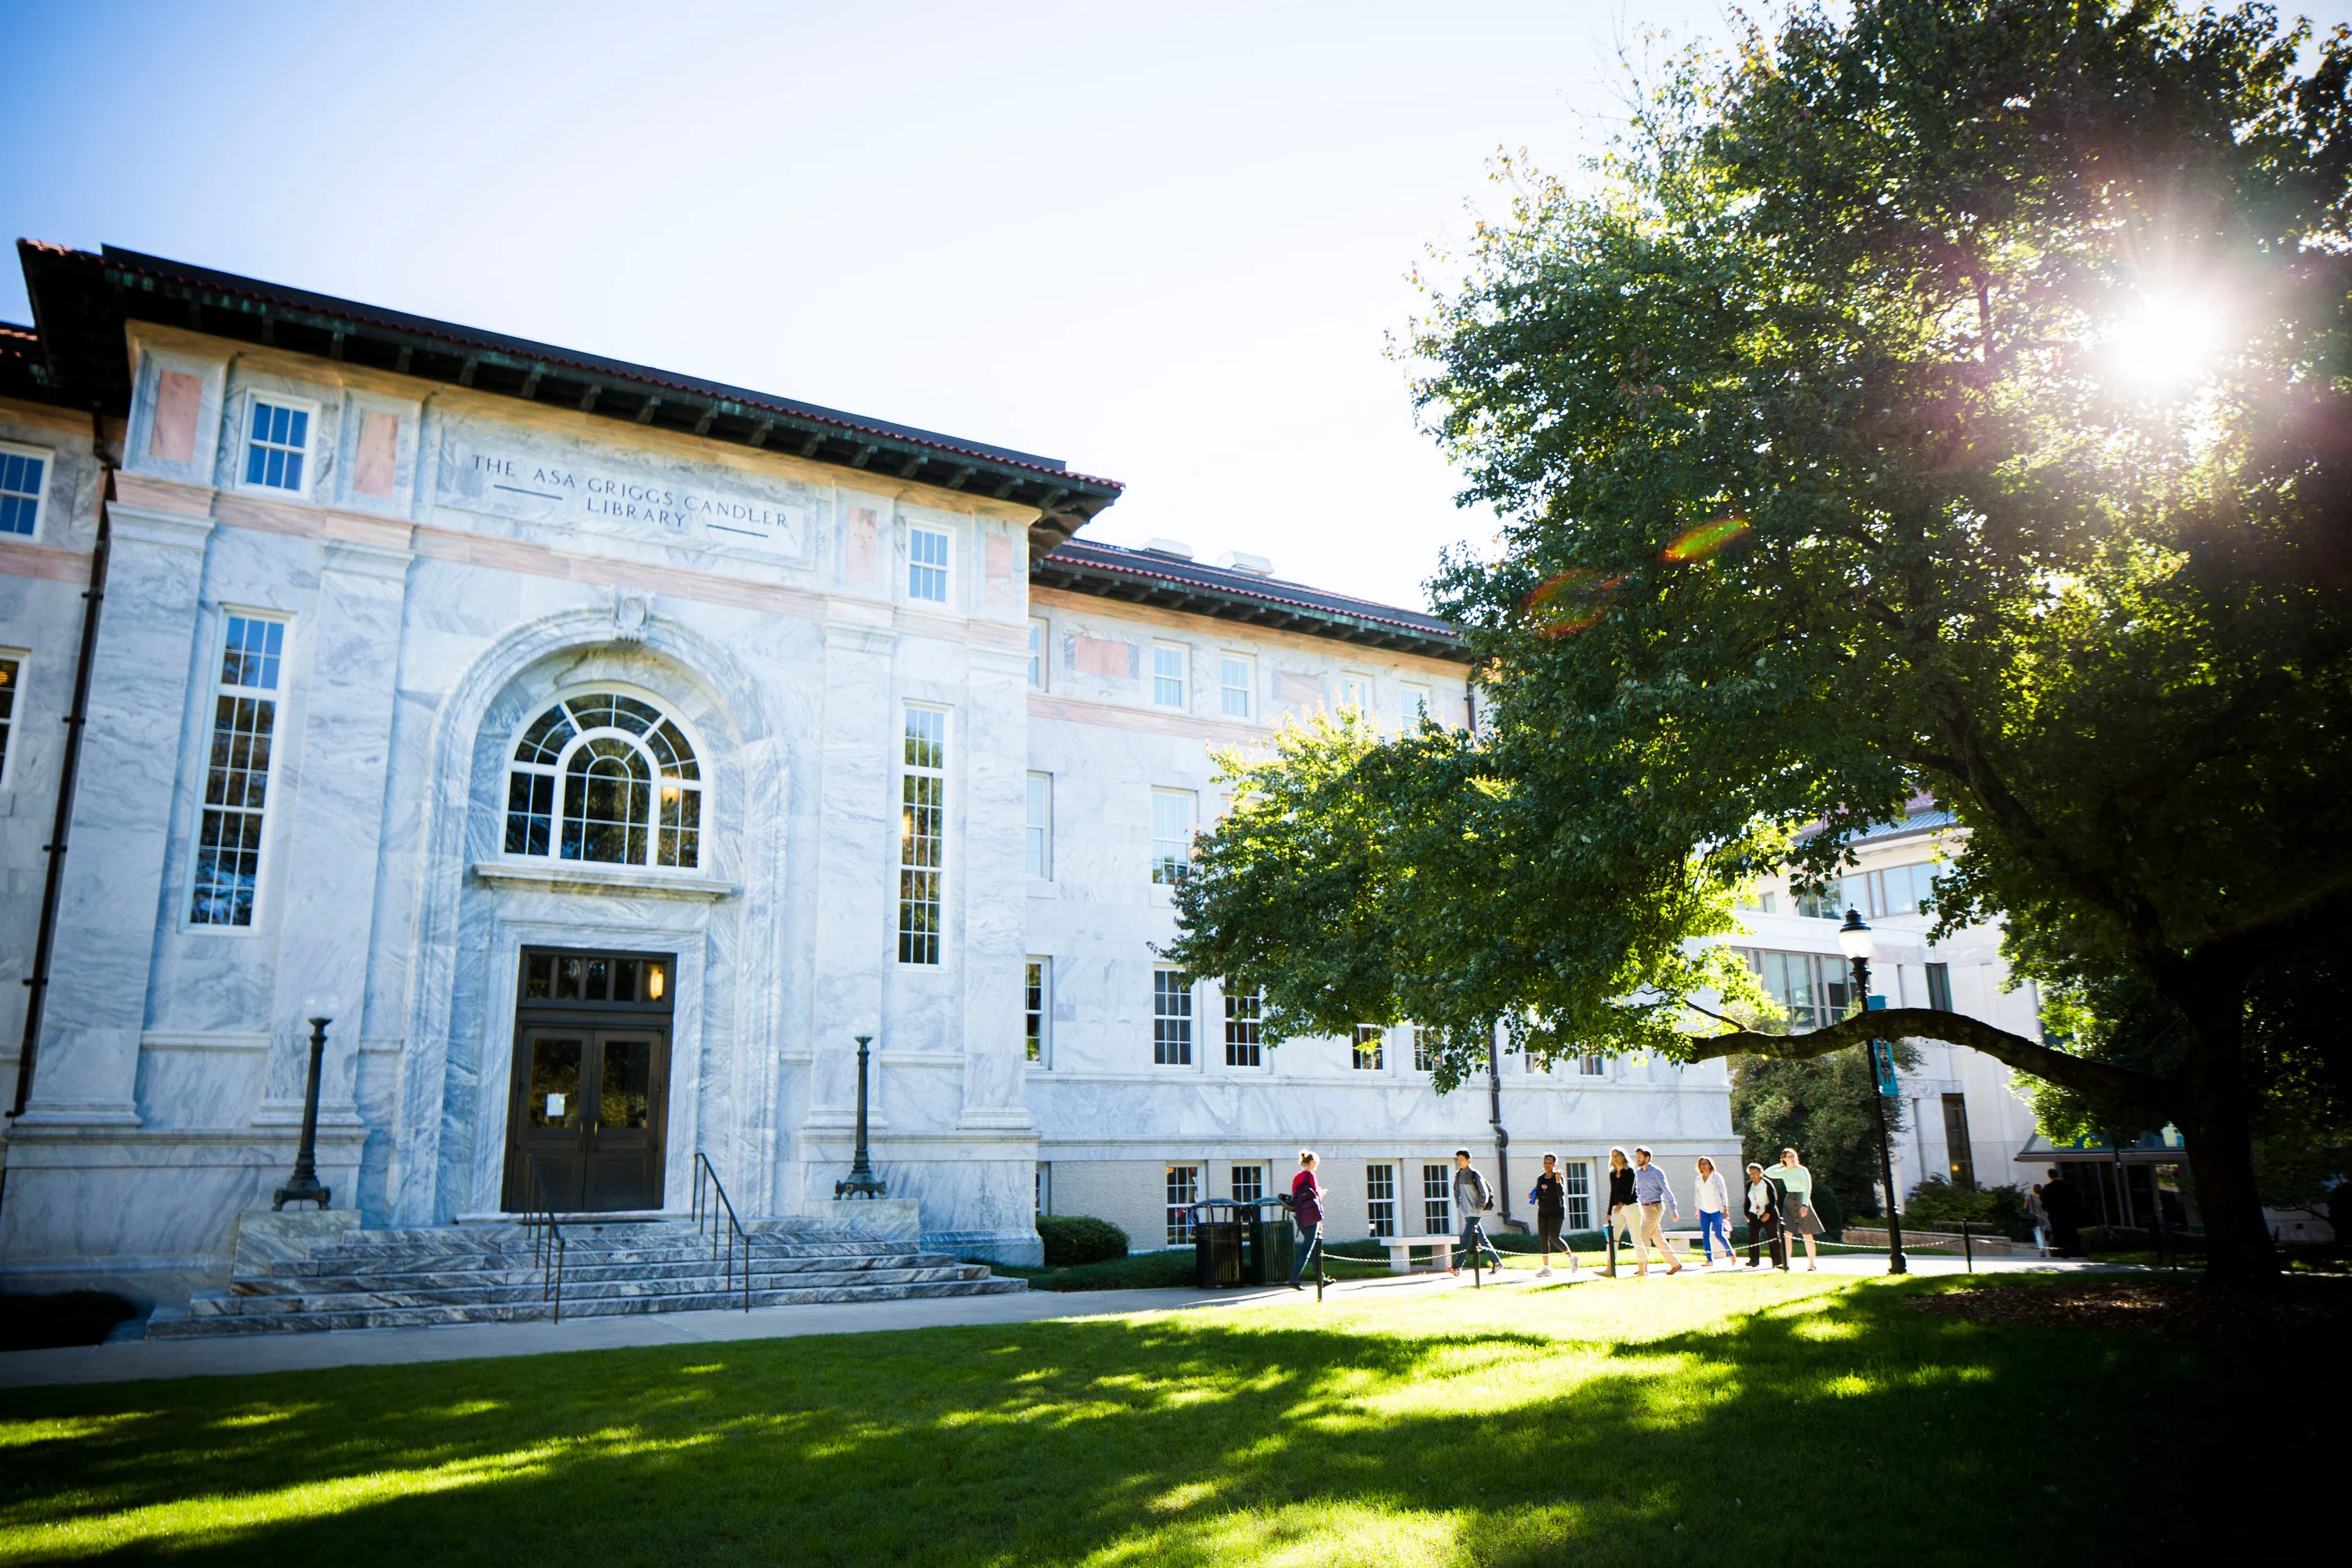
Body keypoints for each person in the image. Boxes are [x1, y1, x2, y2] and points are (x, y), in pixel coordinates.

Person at [1447, 1149, 1503, 1276]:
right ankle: (1497, 1262)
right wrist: (1459, 1205)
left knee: (1466, 1239)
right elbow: (1456, 1191)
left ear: (1469, 1160)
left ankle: (1457, 1267)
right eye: (1458, 1160)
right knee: (1482, 1239)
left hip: (1475, 1213)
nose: (1459, 1162)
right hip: (1467, 1212)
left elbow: (1484, 1194)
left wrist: (1478, 1207)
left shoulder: (1475, 1174)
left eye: (1461, 1160)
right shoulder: (1458, 1175)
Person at [1629, 1146, 1683, 1276]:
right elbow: (1637, 1191)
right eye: (1636, 1157)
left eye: (1640, 1157)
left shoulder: (1656, 1172)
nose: (1637, 1159)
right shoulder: (1638, 1173)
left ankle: (1643, 1268)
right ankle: (1675, 1263)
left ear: (1647, 1158)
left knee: (1644, 1236)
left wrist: (1673, 1209)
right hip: (1644, 1208)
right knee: (1658, 1238)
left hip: (1655, 1207)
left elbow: (1666, 1189)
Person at [1286, 1149, 1334, 1290]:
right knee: (1307, 1249)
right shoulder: (1311, 1176)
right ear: (1312, 1162)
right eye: (1316, 1163)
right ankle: (1293, 1280)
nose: (1316, 1166)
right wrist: (1322, 1193)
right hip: (1312, 1217)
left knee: (1313, 1249)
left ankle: (1322, 1279)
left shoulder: (1297, 1177)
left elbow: (1294, 1196)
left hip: (1300, 1217)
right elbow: (1316, 1195)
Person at [1773, 1148, 1822, 1270]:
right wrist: (1781, 1164)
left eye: (1793, 1156)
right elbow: (1768, 1172)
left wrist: (1805, 1205)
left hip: (1802, 1199)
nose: (1792, 1159)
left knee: (1807, 1233)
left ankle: (1812, 1264)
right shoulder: (1784, 1171)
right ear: (1784, 1158)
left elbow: (1807, 1188)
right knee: (1787, 1233)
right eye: (1789, 1157)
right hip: (1789, 1200)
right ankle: (1786, 1263)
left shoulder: (1802, 1170)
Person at [1528, 1152, 1575, 1278]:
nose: (1547, 1166)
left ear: (1554, 1164)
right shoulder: (1541, 1178)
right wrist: (1533, 1195)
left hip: (1557, 1211)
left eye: (1550, 1163)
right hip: (1543, 1211)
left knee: (1554, 1237)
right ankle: (1546, 1268)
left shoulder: (1558, 1177)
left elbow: (1560, 1194)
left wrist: (1558, 1179)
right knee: (1543, 1238)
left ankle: (1572, 1257)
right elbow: (1540, 1192)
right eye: (1545, 1163)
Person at [1744, 1160, 1787, 1270]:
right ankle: (1753, 1260)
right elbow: (1747, 1200)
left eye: (1754, 1173)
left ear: (1760, 1173)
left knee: (1772, 1236)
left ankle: (1777, 1261)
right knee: (1752, 1236)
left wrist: (1767, 1213)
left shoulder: (1767, 1183)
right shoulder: (1749, 1185)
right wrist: (1746, 1214)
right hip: (1754, 1212)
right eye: (1750, 1174)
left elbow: (1773, 1199)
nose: (1752, 1176)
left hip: (1769, 1213)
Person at [1693, 1156, 1732, 1267]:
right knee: (1706, 1235)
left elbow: (1723, 1193)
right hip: (1704, 1210)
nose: (1703, 1166)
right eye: (1701, 1164)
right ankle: (1709, 1260)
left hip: (1717, 1210)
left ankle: (1731, 1252)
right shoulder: (1698, 1179)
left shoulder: (1716, 1177)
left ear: (1710, 1165)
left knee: (1719, 1234)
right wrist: (1696, 1208)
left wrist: (1725, 1208)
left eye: (1705, 1164)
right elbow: (1697, 1194)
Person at [2041, 1165, 2085, 1258]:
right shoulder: (2068, 1186)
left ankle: (2061, 1252)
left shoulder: (2047, 1188)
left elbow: (2044, 1203)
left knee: (2058, 1235)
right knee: (2072, 1232)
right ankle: (2075, 1251)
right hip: (2069, 1214)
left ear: (2049, 1176)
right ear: (2058, 1175)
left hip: (2055, 1216)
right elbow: (2077, 1199)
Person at [1606, 1148, 1639, 1261]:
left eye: (1617, 1156)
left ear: (1623, 1157)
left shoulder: (1629, 1171)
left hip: (1631, 1206)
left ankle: (1642, 1267)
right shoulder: (1613, 1173)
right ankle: (1610, 1267)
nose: (1615, 1158)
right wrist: (1609, 1212)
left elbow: (1629, 1191)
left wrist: (1621, 1204)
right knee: (1612, 1238)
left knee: (1636, 1237)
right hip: (1616, 1209)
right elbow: (1613, 1192)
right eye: (1613, 1156)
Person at [2025, 1182, 2051, 1257]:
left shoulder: (2030, 1197)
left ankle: (2041, 1250)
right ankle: (2044, 1250)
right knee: (2042, 1235)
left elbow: (2025, 1207)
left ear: (2034, 1190)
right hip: (2043, 1218)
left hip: (2034, 1219)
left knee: (2038, 1235)